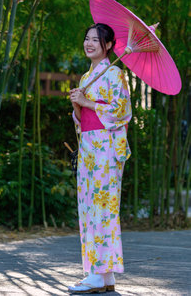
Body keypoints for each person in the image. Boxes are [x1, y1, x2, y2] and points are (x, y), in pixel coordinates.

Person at [68, 23, 132, 294]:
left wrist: (88, 103)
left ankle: (97, 272)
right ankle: (103, 275)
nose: (89, 43)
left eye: (96, 40)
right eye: (86, 38)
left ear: (108, 46)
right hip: (89, 147)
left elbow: (122, 110)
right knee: (89, 208)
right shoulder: (87, 77)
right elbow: (82, 119)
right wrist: (76, 105)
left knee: (102, 209)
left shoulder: (115, 73)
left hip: (106, 147)